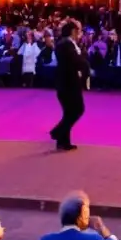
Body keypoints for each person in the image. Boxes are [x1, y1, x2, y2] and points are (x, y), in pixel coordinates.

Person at [50, 21, 90, 151]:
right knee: (78, 109)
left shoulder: (66, 44)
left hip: (67, 83)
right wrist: (86, 66)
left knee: (69, 113)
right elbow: (76, 61)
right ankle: (58, 132)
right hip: (68, 83)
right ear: (73, 31)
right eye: (78, 31)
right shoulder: (66, 45)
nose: (79, 34)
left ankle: (63, 142)